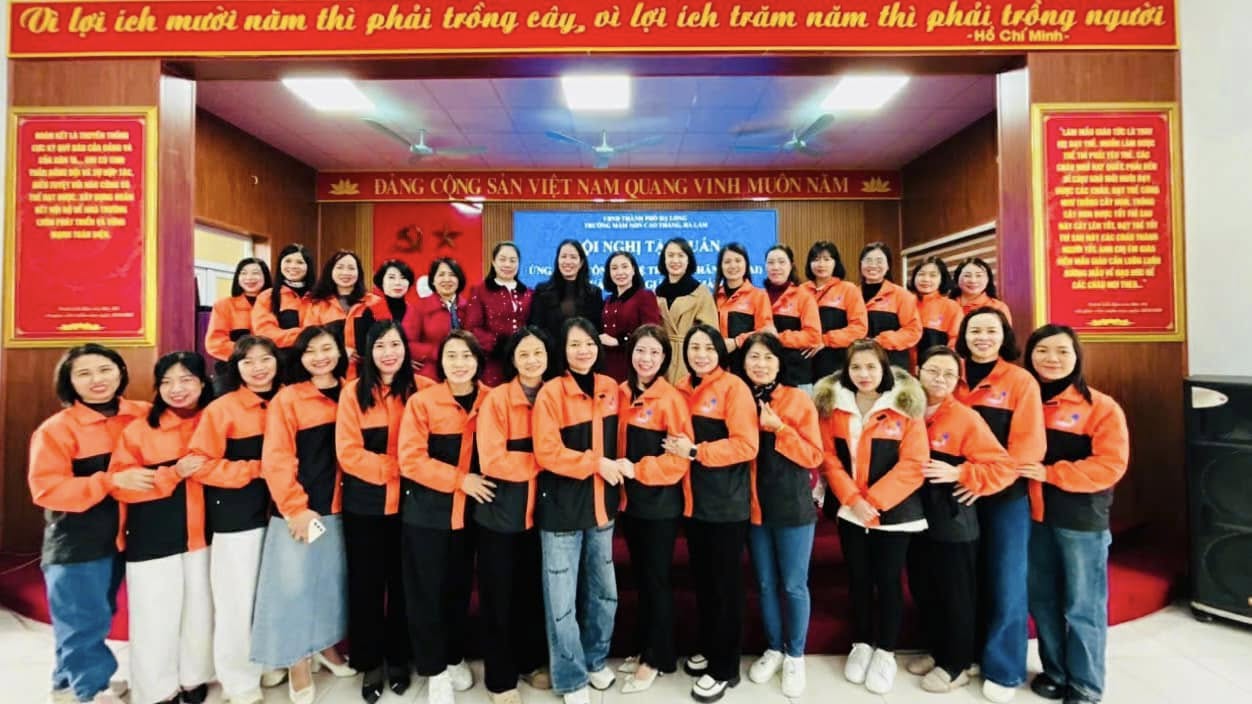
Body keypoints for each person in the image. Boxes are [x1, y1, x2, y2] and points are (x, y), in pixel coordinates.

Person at [28, 344, 149, 704]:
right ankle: (89, 690)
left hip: (123, 537)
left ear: (120, 372)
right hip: (76, 542)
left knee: (95, 615)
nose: (98, 379)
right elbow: (47, 490)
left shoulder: (141, 415)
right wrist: (110, 481)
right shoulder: (56, 430)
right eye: (84, 373)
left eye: (105, 369)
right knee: (83, 622)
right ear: (69, 382)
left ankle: (66, 686)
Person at [1021, 325, 1129, 704]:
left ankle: (1085, 684)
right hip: (1035, 518)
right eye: (1042, 351)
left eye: (1062, 351)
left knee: (1083, 605)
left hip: (1081, 521)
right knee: (1043, 600)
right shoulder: (1027, 402)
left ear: (1077, 357)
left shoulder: (1100, 407)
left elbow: (1110, 465)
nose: (1051, 359)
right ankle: (1055, 672)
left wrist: (1051, 474)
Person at [813, 338, 926, 695]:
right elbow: (828, 457)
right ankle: (861, 643)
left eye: (871, 367)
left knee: (888, 581)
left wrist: (873, 501)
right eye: (856, 367)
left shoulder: (905, 404)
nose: (864, 374)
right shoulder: (834, 405)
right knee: (859, 578)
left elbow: (914, 463)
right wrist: (852, 499)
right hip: (850, 510)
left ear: (884, 369)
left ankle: (886, 651)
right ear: (846, 370)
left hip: (895, 512)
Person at [252, 326, 355, 704]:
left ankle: (325, 647)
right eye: (310, 351)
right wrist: (295, 508)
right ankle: (297, 662)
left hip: (343, 507)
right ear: (299, 358)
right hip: (303, 509)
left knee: (330, 584)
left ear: (340, 352)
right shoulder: (289, 398)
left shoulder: (352, 391)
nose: (320, 357)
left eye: (327, 348)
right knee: (293, 589)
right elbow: (277, 458)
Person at [905, 346, 1015, 694]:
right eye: (933, 371)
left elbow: (1002, 467)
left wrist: (961, 473)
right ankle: (939, 651)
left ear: (957, 381)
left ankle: (958, 664)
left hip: (953, 522)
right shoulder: (908, 411)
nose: (940, 379)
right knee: (925, 588)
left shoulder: (965, 417)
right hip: (915, 517)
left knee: (956, 595)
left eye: (949, 374)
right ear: (918, 371)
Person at [108, 352, 215, 704]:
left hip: (204, 533)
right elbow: (122, 486)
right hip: (152, 534)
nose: (176, 389)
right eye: (166, 382)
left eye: (186, 380)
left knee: (200, 610)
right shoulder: (139, 430)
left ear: (203, 383)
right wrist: (173, 473)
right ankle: (156, 690)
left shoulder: (215, 420)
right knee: (154, 615)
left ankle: (194, 678)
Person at [953, 307, 1046, 704]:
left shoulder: (1020, 381)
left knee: (1006, 581)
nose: (982, 337)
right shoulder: (952, 376)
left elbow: (1027, 449)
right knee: (966, 579)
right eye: (974, 330)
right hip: (958, 494)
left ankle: (1005, 668)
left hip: (1005, 497)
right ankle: (970, 654)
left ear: (1004, 336)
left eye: (991, 330)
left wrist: (983, 481)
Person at [665, 323, 759, 704]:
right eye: (694, 348)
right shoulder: (682, 388)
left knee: (725, 588)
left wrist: (696, 452)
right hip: (694, 503)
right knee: (704, 583)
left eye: (708, 347)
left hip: (726, 504)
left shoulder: (733, 388)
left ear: (720, 351)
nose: (701, 354)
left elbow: (746, 445)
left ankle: (725, 668)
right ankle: (709, 645)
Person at [188, 335, 284, 704]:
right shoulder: (222, 409)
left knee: (270, 595)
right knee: (237, 602)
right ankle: (239, 682)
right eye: (248, 361)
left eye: (266, 359)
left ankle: (268, 662)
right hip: (237, 516)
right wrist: (256, 469)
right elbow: (200, 465)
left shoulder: (287, 399)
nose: (258, 368)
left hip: (281, 513)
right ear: (236, 368)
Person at [532, 318, 623, 704]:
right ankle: (570, 678)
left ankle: (595, 659)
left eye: (588, 343)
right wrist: (595, 463)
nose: (583, 350)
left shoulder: (610, 387)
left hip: (602, 507)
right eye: (574, 345)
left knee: (604, 594)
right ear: (563, 351)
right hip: (562, 511)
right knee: (561, 602)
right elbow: (547, 452)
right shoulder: (551, 393)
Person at [398, 330, 488, 704]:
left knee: (457, 589)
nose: (459, 363)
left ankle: (453, 656)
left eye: (466, 356)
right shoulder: (423, 402)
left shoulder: (490, 399)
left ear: (478, 361)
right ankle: (434, 669)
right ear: (441, 362)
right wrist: (460, 480)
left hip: (470, 517)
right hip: (427, 515)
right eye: (451, 356)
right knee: (426, 594)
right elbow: (411, 460)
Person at [335, 322, 418, 703]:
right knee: (366, 585)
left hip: (411, 506)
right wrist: (401, 467)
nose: (389, 352)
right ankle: (369, 661)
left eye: (395, 344)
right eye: (380, 345)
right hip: (364, 505)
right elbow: (349, 453)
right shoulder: (353, 393)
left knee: (404, 584)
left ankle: (399, 657)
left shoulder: (421, 389)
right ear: (368, 351)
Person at [475, 326, 557, 704]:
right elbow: (493, 460)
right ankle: (500, 678)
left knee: (530, 593)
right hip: (502, 513)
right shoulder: (497, 400)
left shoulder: (555, 394)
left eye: (538, 352)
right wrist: (547, 460)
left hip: (543, 513)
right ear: (512, 360)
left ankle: (529, 662)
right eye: (523, 354)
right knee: (499, 598)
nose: (532, 360)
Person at [739, 333, 823, 698]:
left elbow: (814, 455)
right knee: (765, 583)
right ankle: (774, 647)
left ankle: (795, 655)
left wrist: (780, 429)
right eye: (753, 357)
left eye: (768, 358)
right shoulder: (738, 397)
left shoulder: (797, 399)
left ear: (779, 363)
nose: (760, 365)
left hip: (792, 505)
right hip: (754, 506)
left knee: (793, 584)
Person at [614, 324, 693, 694]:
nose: (646, 359)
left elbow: (678, 460)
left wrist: (637, 470)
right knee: (643, 579)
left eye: (655, 353)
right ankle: (648, 646)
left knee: (656, 580)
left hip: (659, 504)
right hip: (630, 504)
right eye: (640, 351)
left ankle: (656, 657)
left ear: (665, 359)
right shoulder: (620, 392)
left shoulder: (670, 399)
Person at [465, 242, 535, 387]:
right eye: (502, 259)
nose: (507, 264)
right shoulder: (480, 291)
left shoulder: (528, 293)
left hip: (523, 360)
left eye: (512, 260)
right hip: (492, 362)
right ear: (493, 262)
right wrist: (497, 343)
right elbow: (472, 328)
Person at [800, 241, 867, 382]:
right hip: (803, 365)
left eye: (827, 259)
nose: (821, 264)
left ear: (836, 263)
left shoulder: (849, 289)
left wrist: (825, 340)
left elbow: (859, 328)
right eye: (816, 259)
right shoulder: (801, 290)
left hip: (837, 364)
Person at [655, 237, 718, 385]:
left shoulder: (700, 292)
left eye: (680, 255)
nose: (675, 260)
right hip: (662, 358)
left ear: (688, 260)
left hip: (689, 358)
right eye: (670, 255)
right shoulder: (658, 292)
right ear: (664, 260)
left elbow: (711, 333)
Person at [762, 245, 821, 392]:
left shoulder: (804, 296)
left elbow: (813, 336)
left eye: (781, 262)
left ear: (791, 265)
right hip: (764, 375)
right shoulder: (758, 295)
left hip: (797, 376)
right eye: (771, 262)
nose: (776, 267)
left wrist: (778, 338)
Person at [344, 260, 416, 374]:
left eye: (403, 278)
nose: (398, 282)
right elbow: (362, 351)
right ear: (381, 282)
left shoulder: (415, 311)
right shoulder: (367, 310)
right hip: (374, 374)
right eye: (391, 277)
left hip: (409, 374)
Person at [600, 251, 662, 382]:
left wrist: (619, 341)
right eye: (614, 268)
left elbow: (652, 332)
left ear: (633, 270)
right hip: (606, 364)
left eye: (624, 266)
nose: (620, 272)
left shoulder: (645, 296)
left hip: (633, 364)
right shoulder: (607, 300)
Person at [406, 257, 471, 381]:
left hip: (464, 371)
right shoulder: (419, 307)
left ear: (459, 279)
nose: (447, 279)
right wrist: (438, 352)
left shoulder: (469, 307)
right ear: (433, 281)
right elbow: (407, 343)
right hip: (430, 374)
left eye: (452, 275)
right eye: (441, 275)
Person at [205, 257, 272, 378]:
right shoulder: (224, 305)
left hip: (268, 369)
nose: (249, 277)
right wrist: (249, 355)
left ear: (265, 277)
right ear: (237, 277)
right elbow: (215, 343)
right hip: (231, 368)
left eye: (255, 273)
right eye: (244, 273)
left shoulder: (276, 305)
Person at [858, 242, 921, 369]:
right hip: (860, 363)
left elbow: (913, 331)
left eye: (879, 261)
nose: (873, 265)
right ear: (861, 264)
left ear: (888, 266)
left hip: (892, 364)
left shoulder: (902, 295)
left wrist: (881, 341)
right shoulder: (852, 294)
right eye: (868, 260)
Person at [713, 243, 774, 374]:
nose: (733, 266)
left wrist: (737, 342)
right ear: (720, 267)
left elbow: (766, 332)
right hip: (717, 368)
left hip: (748, 368)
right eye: (727, 262)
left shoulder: (758, 295)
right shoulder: (713, 297)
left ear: (746, 264)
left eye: (738, 260)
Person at [529, 240, 603, 343]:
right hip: (550, 350)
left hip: (582, 350)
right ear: (557, 260)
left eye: (573, 257)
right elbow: (536, 327)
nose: (568, 262)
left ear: (581, 263)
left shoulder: (594, 293)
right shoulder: (542, 291)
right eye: (563, 256)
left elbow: (596, 330)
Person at [251, 244, 315, 355]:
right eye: (288, 261)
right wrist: (304, 337)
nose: (293, 266)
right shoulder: (267, 296)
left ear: (308, 266)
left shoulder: (319, 297)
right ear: (280, 264)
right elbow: (265, 333)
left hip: (315, 358)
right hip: (280, 359)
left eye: (300, 262)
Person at [307, 250, 368, 348]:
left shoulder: (374, 302)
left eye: (351, 268)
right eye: (340, 267)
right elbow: (310, 339)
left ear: (359, 272)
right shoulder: (316, 304)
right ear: (330, 271)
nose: (345, 272)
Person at [910, 256, 963, 360]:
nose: (926, 279)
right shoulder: (905, 301)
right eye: (921, 274)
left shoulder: (951, 307)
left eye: (933, 275)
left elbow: (956, 341)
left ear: (942, 279)